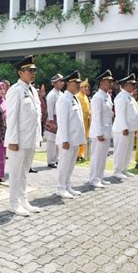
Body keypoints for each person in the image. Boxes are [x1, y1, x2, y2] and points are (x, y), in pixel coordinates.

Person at [4, 55, 42, 216]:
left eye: (34, 70)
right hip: (18, 140)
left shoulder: (32, 90)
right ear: (20, 73)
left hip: (30, 139)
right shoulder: (15, 90)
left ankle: (23, 200)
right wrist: (12, 140)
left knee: (24, 172)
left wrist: (38, 137)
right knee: (15, 173)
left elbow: (36, 116)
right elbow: (11, 117)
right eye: (29, 70)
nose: (32, 73)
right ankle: (14, 203)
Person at [55, 71, 85, 199]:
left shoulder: (74, 98)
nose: (78, 85)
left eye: (79, 83)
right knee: (64, 164)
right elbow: (62, 122)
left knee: (71, 164)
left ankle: (67, 185)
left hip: (75, 138)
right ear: (68, 83)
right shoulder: (63, 99)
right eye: (76, 83)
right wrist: (65, 140)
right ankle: (61, 188)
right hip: (67, 139)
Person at [88, 70, 114, 188]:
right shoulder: (97, 97)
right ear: (102, 82)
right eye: (109, 81)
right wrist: (99, 133)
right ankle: (94, 179)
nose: (111, 84)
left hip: (107, 130)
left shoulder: (107, 96)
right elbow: (96, 116)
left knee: (103, 157)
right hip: (99, 132)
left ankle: (100, 177)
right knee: (97, 157)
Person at [112, 74, 138, 179]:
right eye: (131, 84)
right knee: (121, 151)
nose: (133, 86)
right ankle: (117, 170)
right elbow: (120, 114)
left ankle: (124, 169)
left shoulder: (129, 97)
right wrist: (124, 127)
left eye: (134, 84)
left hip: (130, 128)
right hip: (122, 129)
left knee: (128, 151)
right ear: (125, 85)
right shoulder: (121, 97)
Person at [45, 74, 64, 168]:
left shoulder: (61, 94)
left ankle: (56, 159)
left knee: (58, 140)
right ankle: (50, 161)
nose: (62, 83)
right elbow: (50, 109)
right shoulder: (51, 95)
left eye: (62, 81)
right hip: (53, 118)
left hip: (60, 118)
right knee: (51, 141)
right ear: (54, 83)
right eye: (60, 81)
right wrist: (51, 121)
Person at [76, 78, 91, 162]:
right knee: (79, 137)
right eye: (85, 87)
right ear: (80, 87)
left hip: (86, 121)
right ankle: (77, 154)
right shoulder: (78, 96)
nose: (87, 88)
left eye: (87, 87)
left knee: (84, 138)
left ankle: (81, 154)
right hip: (80, 120)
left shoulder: (85, 97)